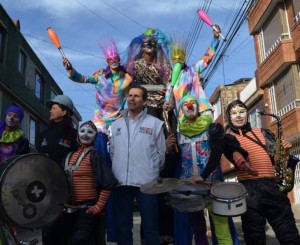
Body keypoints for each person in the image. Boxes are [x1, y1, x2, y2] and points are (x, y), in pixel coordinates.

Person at [63, 40, 132, 243]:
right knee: (99, 173)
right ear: (106, 61)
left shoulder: (128, 78)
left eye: (115, 58)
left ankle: (116, 223)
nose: (112, 61)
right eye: (109, 59)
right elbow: (79, 78)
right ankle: (96, 211)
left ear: (119, 60)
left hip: (118, 129)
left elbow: (140, 92)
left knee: (118, 176)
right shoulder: (100, 75)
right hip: (100, 129)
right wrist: (69, 69)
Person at [223, 99, 300, 244]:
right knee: (254, 237)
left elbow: (276, 160)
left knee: (289, 234)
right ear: (228, 117)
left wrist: (286, 150)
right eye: (234, 113)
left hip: (272, 186)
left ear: (247, 114)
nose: (238, 116)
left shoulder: (264, 133)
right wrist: (241, 161)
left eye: (241, 111)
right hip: (248, 190)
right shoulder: (228, 138)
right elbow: (232, 152)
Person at [167, 95, 239, 245]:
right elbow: (174, 162)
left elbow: (217, 152)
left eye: (193, 103)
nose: (189, 106)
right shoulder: (178, 135)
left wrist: (203, 175)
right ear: (181, 111)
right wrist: (167, 149)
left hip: (213, 185)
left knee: (222, 230)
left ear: (198, 108)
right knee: (198, 231)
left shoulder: (212, 128)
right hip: (190, 188)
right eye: (185, 105)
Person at [110, 84, 166, 245]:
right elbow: (113, 152)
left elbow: (161, 154)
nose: (132, 99)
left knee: (150, 227)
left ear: (145, 101)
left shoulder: (155, 123)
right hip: (121, 181)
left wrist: (151, 172)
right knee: (123, 227)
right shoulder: (116, 125)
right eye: (130, 96)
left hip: (147, 183)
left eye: (136, 96)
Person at [63, 120, 117, 244]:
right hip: (68, 210)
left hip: (86, 209)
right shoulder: (69, 156)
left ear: (94, 136)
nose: (85, 134)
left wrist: (97, 207)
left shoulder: (94, 155)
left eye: (90, 132)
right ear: (77, 134)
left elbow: (108, 183)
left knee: (81, 240)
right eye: (82, 131)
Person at [36, 94, 78, 245]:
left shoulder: (74, 136)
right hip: (45, 190)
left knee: (65, 230)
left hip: (67, 191)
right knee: (47, 230)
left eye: (54, 108)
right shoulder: (42, 136)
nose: (50, 111)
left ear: (64, 111)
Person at [164, 25, 221, 120]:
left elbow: (207, 58)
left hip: (201, 112)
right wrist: (167, 105)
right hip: (184, 118)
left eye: (180, 57)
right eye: (174, 58)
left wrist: (215, 38)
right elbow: (168, 102)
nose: (178, 60)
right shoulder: (170, 83)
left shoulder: (193, 69)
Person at [124, 28, 172, 120]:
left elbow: (169, 83)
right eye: (146, 43)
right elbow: (129, 85)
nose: (149, 45)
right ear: (142, 46)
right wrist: (155, 88)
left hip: (163, 105)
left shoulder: (163, 64)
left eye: (152, 43)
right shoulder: (133, 64)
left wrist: (169, 99)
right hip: (144, 104)